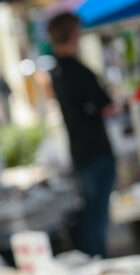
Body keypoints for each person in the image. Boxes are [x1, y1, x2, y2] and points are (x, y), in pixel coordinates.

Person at [48, 11, 116, 258]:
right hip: (96, 151)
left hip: (81, 152)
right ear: (74, 34)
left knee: (92, 213)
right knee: (97, 216)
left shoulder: (57, 72)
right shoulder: (77, 71)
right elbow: (106, 105)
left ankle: (92, 261)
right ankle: (95, 262)